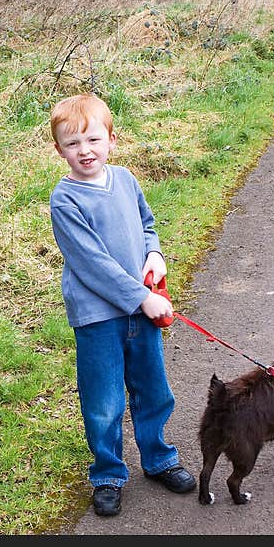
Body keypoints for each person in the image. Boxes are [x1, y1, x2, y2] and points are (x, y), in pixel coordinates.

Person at [48, 93, 196, 516]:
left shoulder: (126, 179)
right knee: (104, 401)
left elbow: (147, 225)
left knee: (153, 389)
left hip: (142, 309)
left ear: (112, 140)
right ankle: (109, 474)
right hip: (98, 318)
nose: (85, 151)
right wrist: (141, 297)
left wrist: (154, 254)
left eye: (93, 140)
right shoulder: (66, 200)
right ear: (59, 149)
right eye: (72, 144)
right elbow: (91, 263)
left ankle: (159, 457)